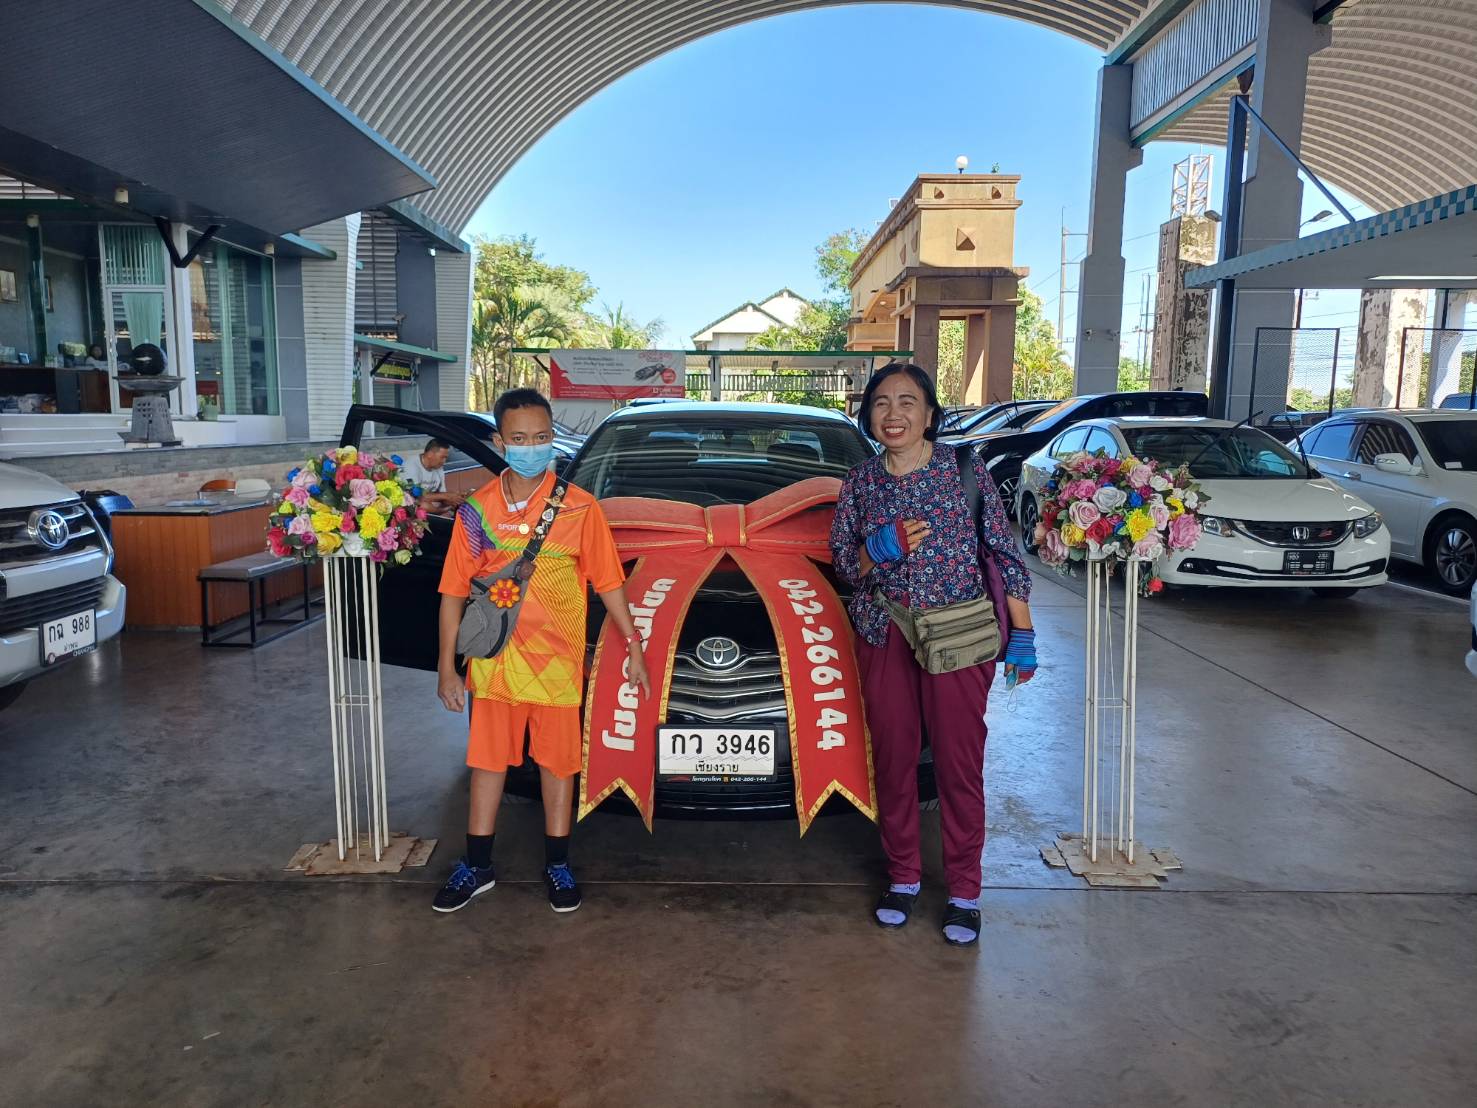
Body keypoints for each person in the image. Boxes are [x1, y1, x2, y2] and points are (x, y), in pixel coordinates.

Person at [830, 363, 1038, 947]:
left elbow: (1004, 555)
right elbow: (845, 566)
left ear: (929, 413)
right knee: (894, 762)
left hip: (958, 636)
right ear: (868, 415)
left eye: (908, 402)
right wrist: (877, 548)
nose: (893, 414)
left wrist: (1022, 633)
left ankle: (965, 892)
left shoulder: (962, 470)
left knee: (957, 766)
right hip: (885, 633)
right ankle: (903, 878)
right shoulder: (860, 482)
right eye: (881, 403)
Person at [433, 388, 651, 915]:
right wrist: (447, 667)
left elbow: (609, 583)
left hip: (558, 663)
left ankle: (558, 863)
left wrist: (633, 644)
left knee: (558, 764)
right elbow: (453, 593)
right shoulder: (476, 512)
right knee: (488, 764)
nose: (531, 447)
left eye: (541, 437)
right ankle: (477, 866)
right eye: (520, 438)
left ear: (553, 438)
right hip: (494, 661)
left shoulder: (580, 508)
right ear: (499, 442)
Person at [400, 438, 465, 514]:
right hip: (410, 504)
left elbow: (442, 493)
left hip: (431, 503)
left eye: (446, 458)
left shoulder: (438, 468)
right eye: (442, 457)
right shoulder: (411, 466)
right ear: (430, 454)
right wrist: (446, 497)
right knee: (422, 505)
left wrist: (454, 498)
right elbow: (415, 496)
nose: (444, 461)